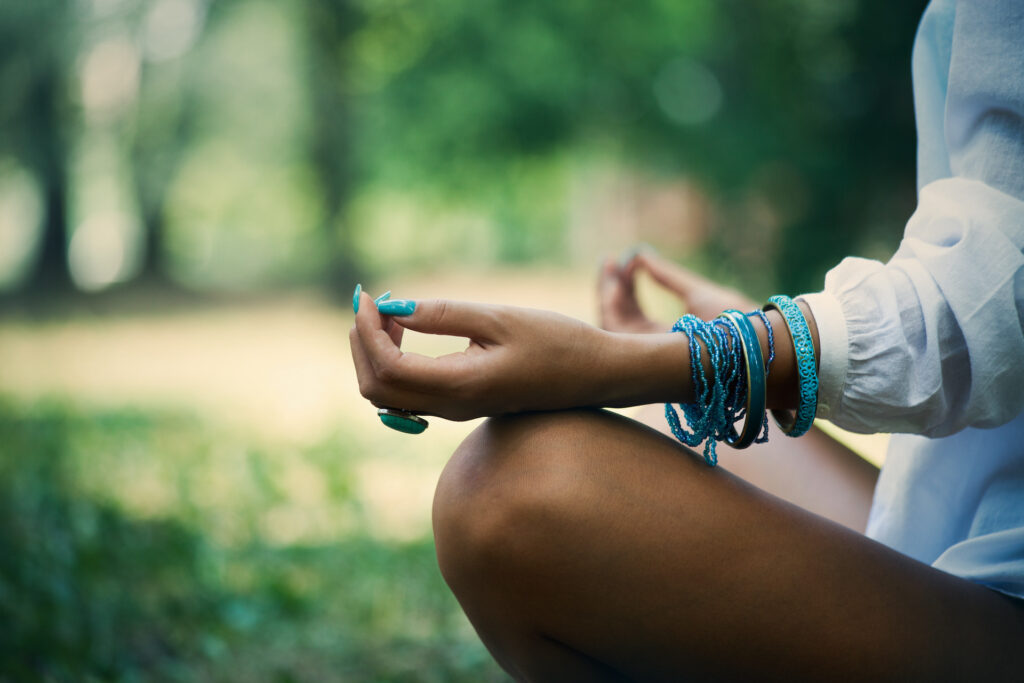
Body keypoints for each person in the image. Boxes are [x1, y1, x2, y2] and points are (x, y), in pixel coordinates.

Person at [349, 0, 1024, 679]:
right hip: (951, 532)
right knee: (642, 431)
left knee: (505, 493)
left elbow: (997, 291)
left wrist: (641, 360)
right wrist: (699, 349)